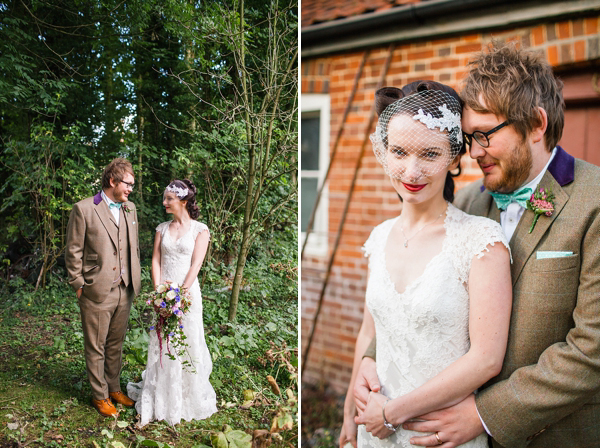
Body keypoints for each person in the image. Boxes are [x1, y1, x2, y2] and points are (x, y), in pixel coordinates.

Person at [354, 42, 600, 447]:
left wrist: (485, 414)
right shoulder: (469, 202)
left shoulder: (593, 203)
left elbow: (590, 352)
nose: (474, 152)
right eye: (469, 137)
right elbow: (426, 294)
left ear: (537, 125)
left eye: (485, 135)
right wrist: (371, 354)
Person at [339, 80, 513, 448]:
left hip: (437, 435)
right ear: (384, 151)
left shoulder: (481, 241)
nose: (411, 172)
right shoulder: (379, 236)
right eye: (399, 152)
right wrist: (349, 417)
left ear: (454, 157)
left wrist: (392, 412)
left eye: (429, 155)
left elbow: (486, 359)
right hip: (373, 430)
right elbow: (369, 334)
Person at [127, 179, 217, 426]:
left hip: (186, 295)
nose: (164, 202)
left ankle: (185, 394)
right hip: (163, 293)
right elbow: (155, 260)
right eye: (165, 198)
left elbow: (196, 264)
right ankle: (160, 392)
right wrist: (160, 293)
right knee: (162, 341)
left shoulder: (201, 230)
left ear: (183, 201)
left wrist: (179, 297)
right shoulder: (162, 228)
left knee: (187, 340)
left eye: (169, 199)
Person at [66, 158, 142, 417]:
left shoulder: (129, 208)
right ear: (112, 181)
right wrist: (78, 285)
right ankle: (99, 396)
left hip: (125, 288)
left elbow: (132, 247)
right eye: (128, 184)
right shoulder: (84, 209)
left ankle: (113, 388)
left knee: (115, 343)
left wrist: (133, 278)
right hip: (96, 289)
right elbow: (73, 251)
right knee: (96, 345)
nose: (131, 189)